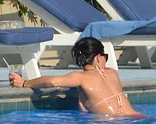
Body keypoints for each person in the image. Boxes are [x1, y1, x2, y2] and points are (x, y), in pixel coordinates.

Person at [9, 37, 141, 117]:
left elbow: (53, 82)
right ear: (98, 57)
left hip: (111, 123)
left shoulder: (81, 77)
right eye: (105, 56)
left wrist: (25, 82)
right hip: (136, 117)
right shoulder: (112, 73)